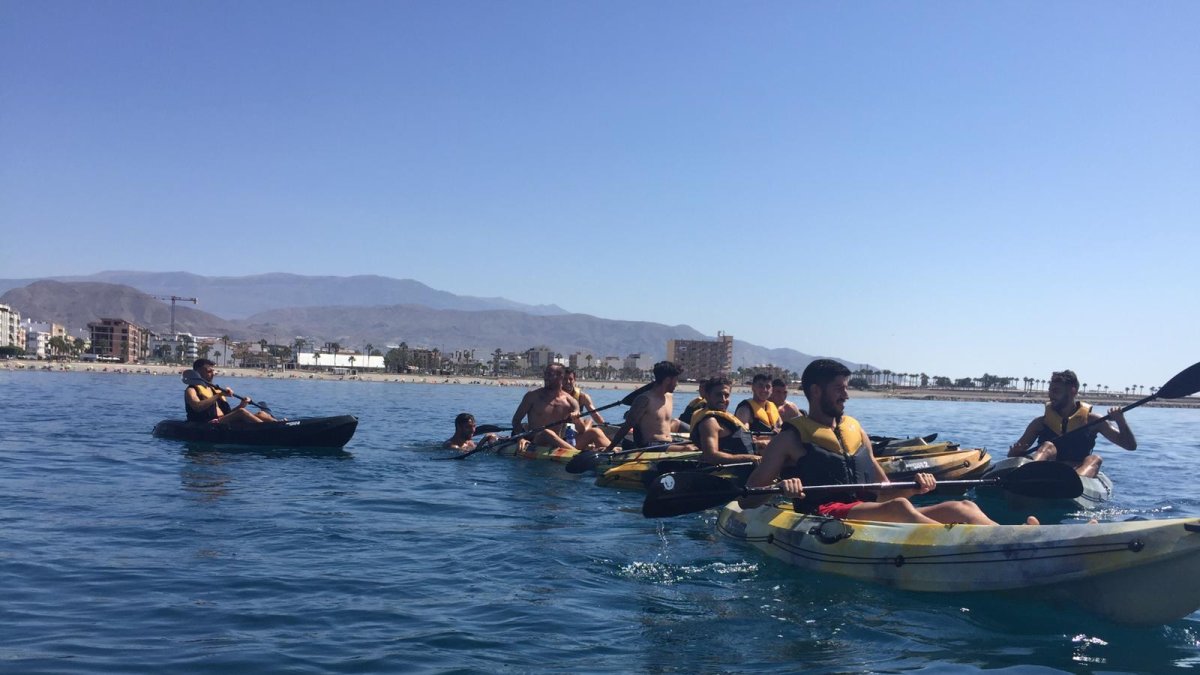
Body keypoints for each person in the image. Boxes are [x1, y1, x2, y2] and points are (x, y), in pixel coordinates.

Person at [743, 359, 1035, 525]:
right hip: (824, 516)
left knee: (961, 508)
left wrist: (915, 486)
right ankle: (978, 548)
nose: (846, 396)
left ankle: (1019, 538)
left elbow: (883, 492)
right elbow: (748, 498)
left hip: (867, 511)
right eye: (839, 389)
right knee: (900, 510)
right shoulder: (790, 438)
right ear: (816, 391)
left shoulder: (856, 431)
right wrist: (781, 488)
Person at [1009, 369, 1136, 478]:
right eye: (1050, 390)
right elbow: (1012, 456)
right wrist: (1015, 452)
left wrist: (1120, 420)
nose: (1051, 395)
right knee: (1048, 446)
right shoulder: (1040, 423)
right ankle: (1028, 474)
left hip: (1077, 472)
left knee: (1095, 459)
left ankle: (1076, 483)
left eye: (1056, 391)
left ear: (1073, 391)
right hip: (1046, 469)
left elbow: (1130, 446)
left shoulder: (1093, 421)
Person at [511, 363, 610, 450]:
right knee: (547, 433)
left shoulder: (571, 402)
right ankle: (577, 454)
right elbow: (516, 420)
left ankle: (614, 452)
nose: (546, 377)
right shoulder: (532, 396)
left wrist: (576, 420)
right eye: (546, 374)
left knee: (595, 431)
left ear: (560, 377)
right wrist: (521, 438)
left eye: (550, 375)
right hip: (537, 441)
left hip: (561, 443)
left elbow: (581, 430)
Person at [605, 361, 694, 452]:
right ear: (667, 380)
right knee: (688, 449)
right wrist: (609, 448)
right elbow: (627, 426)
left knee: (697, 445)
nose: (677, 384)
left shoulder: (669, 397)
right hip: (650, 445)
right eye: (676, 380)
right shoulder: (644, 399)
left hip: (668, 443)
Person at [185, 358, 277, 425]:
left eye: (213, 371)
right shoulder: (191, 390)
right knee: (241, 412)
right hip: (208, 424)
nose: (213, 374)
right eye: (209, 371)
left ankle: (280, 424)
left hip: (223, 421)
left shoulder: (214, 389)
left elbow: (228, 414)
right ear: (197, 372)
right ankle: (270, 430)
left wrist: (242, 404)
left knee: (261, 413)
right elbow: (197, 407)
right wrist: (218, 395)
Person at [690, 376, 759, 465]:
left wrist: (757, 444)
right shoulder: (709, 422)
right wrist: (751, 458)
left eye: (726, 395)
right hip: (729, 471)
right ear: (707, 396)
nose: (723, 399)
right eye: (718, 395)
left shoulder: (723, 418)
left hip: (746, 466)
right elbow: (711, 456)